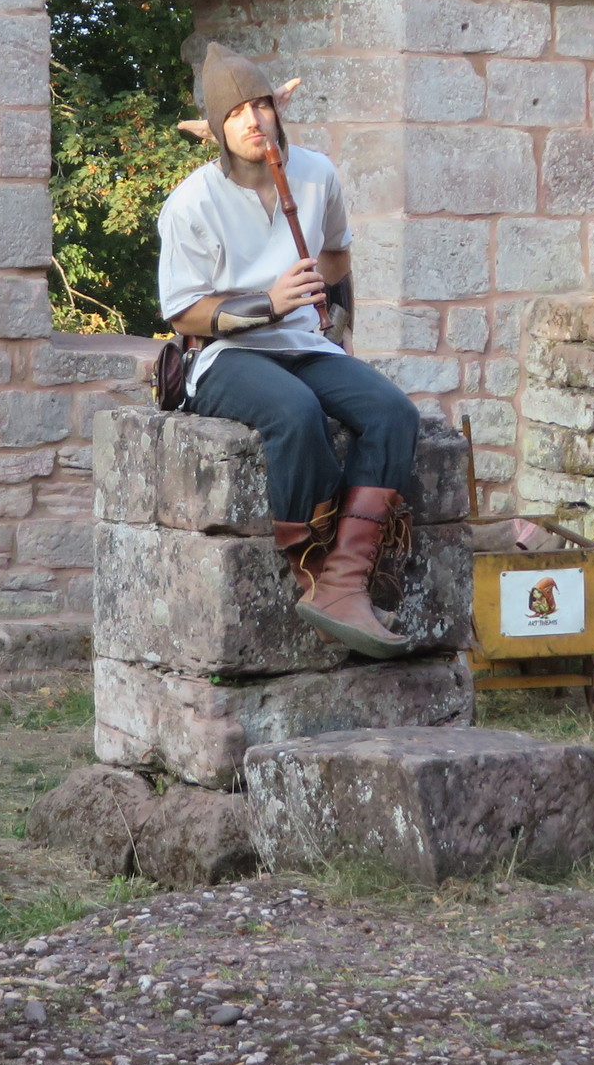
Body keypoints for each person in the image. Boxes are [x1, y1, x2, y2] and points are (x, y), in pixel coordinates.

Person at [158, 43, 422, 658]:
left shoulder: (315, 173)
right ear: (217, 130)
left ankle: (345, 580)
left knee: (393, 414)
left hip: (306, 343)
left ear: (278, 109)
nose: (252, 121)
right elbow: (182, 311)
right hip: (223, 356)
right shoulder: (191, 202)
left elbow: (336, 256)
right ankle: (316, 571)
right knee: (295, 411)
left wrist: (335, 323)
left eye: (260, 106)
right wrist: (268, 303)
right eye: (235, 114)